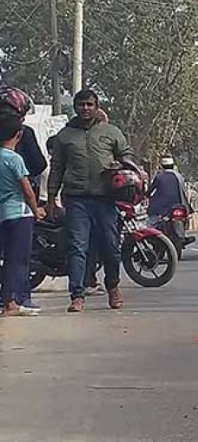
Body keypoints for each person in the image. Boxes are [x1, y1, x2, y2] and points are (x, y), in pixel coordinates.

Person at [49, 89, 136, 313]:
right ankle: (77, 296)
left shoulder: (111, 132)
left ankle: (113, 288)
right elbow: (57, 168)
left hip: (105, 200)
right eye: (81, 105)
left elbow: (126, 155)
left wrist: (124, 167)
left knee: (111, 247)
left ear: (96, 107)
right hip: (77, 199)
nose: (85, 108)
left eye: (89, 104)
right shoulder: (64, 136)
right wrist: (51, 198)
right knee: (77, 247)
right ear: (75, 108)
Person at [1, 85, 46, 309]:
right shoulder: (22, 133)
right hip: (19, 209)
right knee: (19, 256)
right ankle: (19, 298)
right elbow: (39, 165)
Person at [146, 156, 189, 227]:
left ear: (162, 166)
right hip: (177, 205)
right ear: (172, 166)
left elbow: (150, 190)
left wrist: (146, 195)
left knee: (151, 223)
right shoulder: (179, 177)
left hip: (160, 208)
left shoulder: (159, 177)